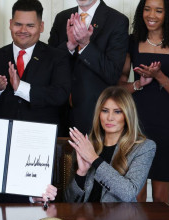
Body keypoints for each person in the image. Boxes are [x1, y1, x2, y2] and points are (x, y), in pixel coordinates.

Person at [118, 0, 169, 204]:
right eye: (147, 9)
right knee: (134, 196)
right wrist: (139, 84)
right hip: (135, 127)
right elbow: (118, 87)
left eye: (159, 10)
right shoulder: (130, 42)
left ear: (167, 14)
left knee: (161, 202)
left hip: (166, 129)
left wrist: (160, 77)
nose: (151, 15)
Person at [0, 0, 71, 135]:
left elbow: (60, 95)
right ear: (10, 24)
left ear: (41, 26)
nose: (23, 30)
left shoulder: (57, 57)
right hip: (1, 136)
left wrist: (21, 87)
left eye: (30, 25)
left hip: (41, 136)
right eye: (18, 24)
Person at [48, 0, 129, 135]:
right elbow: (49, 65)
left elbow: (112, 73)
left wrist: (86, 45)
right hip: (58, 113)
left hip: (93, 116)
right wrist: (69, 46)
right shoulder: (62, 18)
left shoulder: (117, 20)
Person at [65, 86, 156, 202]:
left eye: (117, 112)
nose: (110, 117)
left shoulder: (143, 148)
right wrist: (81, 173)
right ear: (99, 113)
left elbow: (128, 193)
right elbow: (68, 202)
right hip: (85, 218)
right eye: (105, 110)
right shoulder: (87, 145)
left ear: (128, 115)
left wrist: (94, 159)